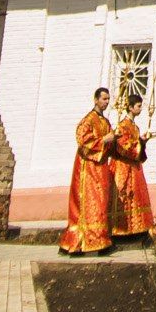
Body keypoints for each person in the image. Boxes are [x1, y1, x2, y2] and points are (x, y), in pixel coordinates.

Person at [59, 87, 116, 256]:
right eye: (103, 99)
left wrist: (114, 140)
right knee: (86, 203)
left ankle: (99, 239)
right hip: (86, 169)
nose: (106, 102)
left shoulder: (105, 122)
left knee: (100, 203)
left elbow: (110, 146)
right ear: (96, 100)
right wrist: (104, 139)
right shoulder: (88, 120)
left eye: (108, 99)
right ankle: (79, 242)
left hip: (100, 169)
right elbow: (82, 140)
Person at [109, 92, 156, 246]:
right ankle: (120, 232)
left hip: (134, 167)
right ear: (130, 107)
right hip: (123, 167)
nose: (140, 109)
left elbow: (136, 147)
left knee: (136, 197)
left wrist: (142, 142)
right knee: (124, 197)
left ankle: (137, 230)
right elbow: (123, 145)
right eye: (138, 106)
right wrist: (139, 143)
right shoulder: (123, 126)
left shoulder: (134, 126)